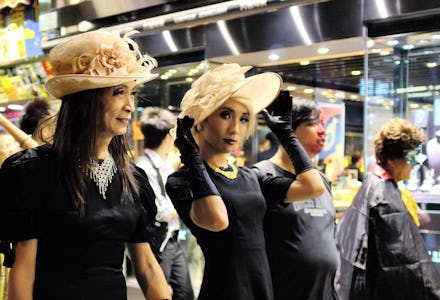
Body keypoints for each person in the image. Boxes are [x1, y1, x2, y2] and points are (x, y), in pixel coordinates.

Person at [0, 30, 171, 300]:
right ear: (86, 101)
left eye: (132, 93)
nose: (130, 105)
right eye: (118, 92)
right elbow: (23, 270)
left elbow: (148, 267)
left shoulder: (133, 179)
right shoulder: (35, 172)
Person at [165, 63, 325, 300]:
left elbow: (314, 187)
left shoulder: (249, 176)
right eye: (225, 114)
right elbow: (218, 220)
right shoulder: (182, 181)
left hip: (262, 288)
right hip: (224, 291)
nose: (235, 128)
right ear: (200, 121)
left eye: (243, 118)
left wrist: (286, 135)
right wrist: (193, 158)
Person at [335, 117, 440, 300]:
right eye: (412, 157)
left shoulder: (371, 184)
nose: (416, 164)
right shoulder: (385, 199)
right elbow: (405, 265)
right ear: (392, 160)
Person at [253, 98, 339, 300]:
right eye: (312, 124)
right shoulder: (262, 176)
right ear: (287, 128)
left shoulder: (322, 181)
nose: (322, 131)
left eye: (323, 125)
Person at [137, 106, 194, 300]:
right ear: (167, 137)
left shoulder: (165, 166)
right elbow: (157, 210)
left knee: (185, 292)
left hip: (173, 238)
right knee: (160, 294)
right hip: (159, 242)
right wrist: (184, 208)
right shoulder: (144, 168)